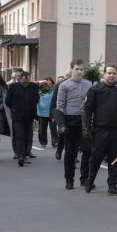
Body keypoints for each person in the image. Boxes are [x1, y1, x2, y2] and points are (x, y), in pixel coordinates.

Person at [83, 65, 117, 195]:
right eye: (109, 73)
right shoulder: (94, 90)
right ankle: (90, 180)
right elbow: (87, 110)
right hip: (100, 130)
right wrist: (86, 128)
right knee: (96, 158)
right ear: (104, 74)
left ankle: (112, 186)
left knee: (115, 159)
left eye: (114, 73)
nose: (111, 75)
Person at [56, 60, 92, 189]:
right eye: (77, 69)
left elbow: (91, 104)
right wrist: (61, 125)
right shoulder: (64, 85)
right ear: (71, 69)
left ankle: (85, 178)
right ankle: (69, 179)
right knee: (70, 152)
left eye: (82, 69)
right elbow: (59, 106)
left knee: (88, 150)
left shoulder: (88, 85)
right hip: (69, 120)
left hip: (83, 120)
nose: (80, 71)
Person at [5, 71, 39, 167]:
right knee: (19, 135)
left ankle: (26, 154)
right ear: (20, 79)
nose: (26, 83)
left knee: (28, 136)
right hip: (17, 115)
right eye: (24, 81)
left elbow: (37, 99)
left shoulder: (34, 86)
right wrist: (15, 108)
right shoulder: (13, 87)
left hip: (29, 115)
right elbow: (7, 101)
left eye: (27, 81)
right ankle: (20, 156)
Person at [50, 73, 69, 160]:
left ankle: (73, 155)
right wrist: (53, 115)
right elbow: (54, 101)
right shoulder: (60, 85)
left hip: (75, 114)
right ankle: (59, 150)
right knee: (62, 133)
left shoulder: (80, 85)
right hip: (61, 113)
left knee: (74, 135)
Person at [36, 77, 56, 148]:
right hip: (42, 113)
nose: (49, 85)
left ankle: (55, 142)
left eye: (50, 84)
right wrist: (42, 82)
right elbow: (35, 83)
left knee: (53, 128)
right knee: (42, 129)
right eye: (47, 84)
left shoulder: (54, 91)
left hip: (52, 112)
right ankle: (43, 142)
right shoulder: (40, 90)